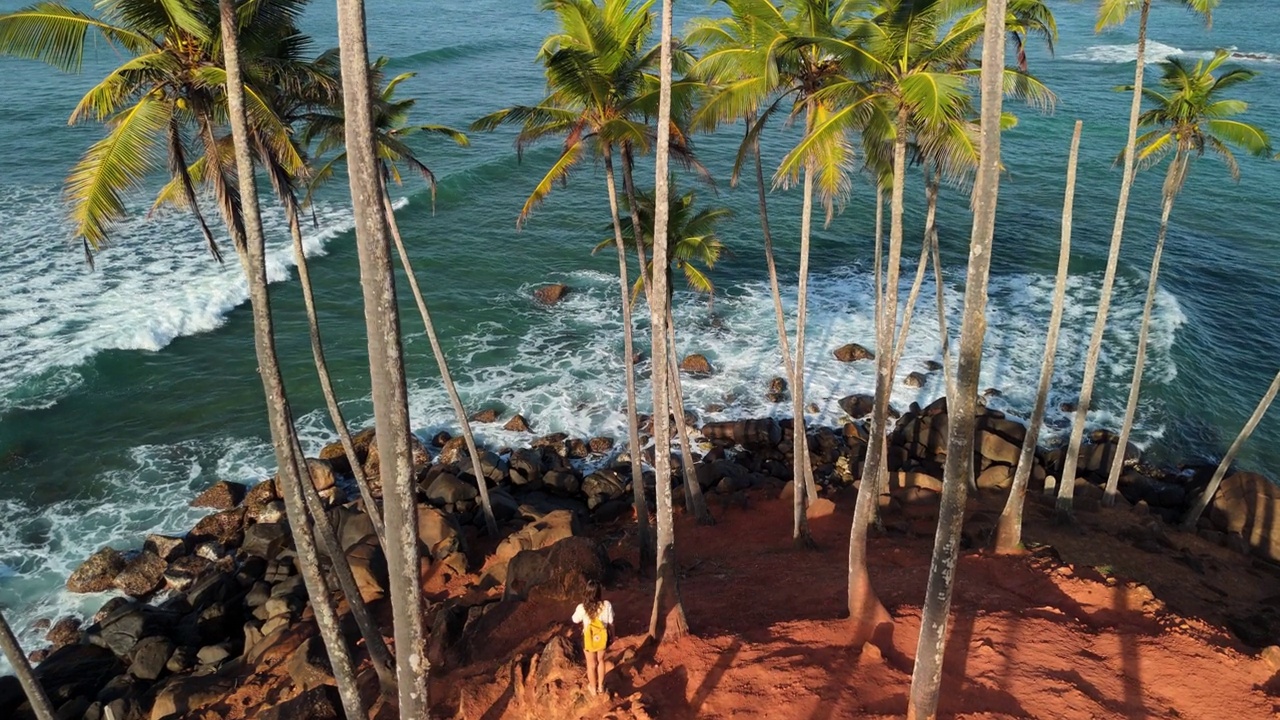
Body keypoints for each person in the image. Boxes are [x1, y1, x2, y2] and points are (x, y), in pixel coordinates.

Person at [571, 580, 613, 696]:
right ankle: (600, 686)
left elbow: (574, 619)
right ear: (599, 592)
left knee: (591, 664)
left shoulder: (582, 607)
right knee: (601, 661)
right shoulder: (606, 605)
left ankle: (593, 689)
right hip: (602, 637)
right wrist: (612, 636)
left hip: (588, 638)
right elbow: (611, 623)